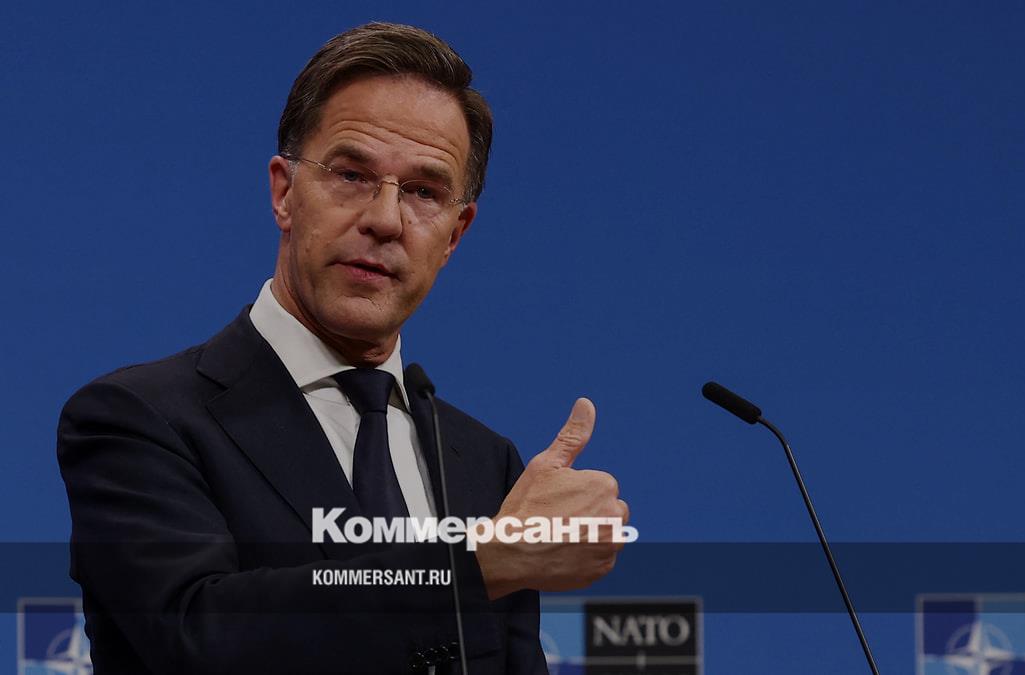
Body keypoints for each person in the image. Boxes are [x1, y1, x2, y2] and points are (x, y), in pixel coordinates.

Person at [57, 22, 628, 674]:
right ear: (284, 193)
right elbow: (198, 636)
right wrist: (476, 567)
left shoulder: (484, 466)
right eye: (352, 174)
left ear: (454, 234)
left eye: (424, 192)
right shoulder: (139, 418)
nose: (384, 219)